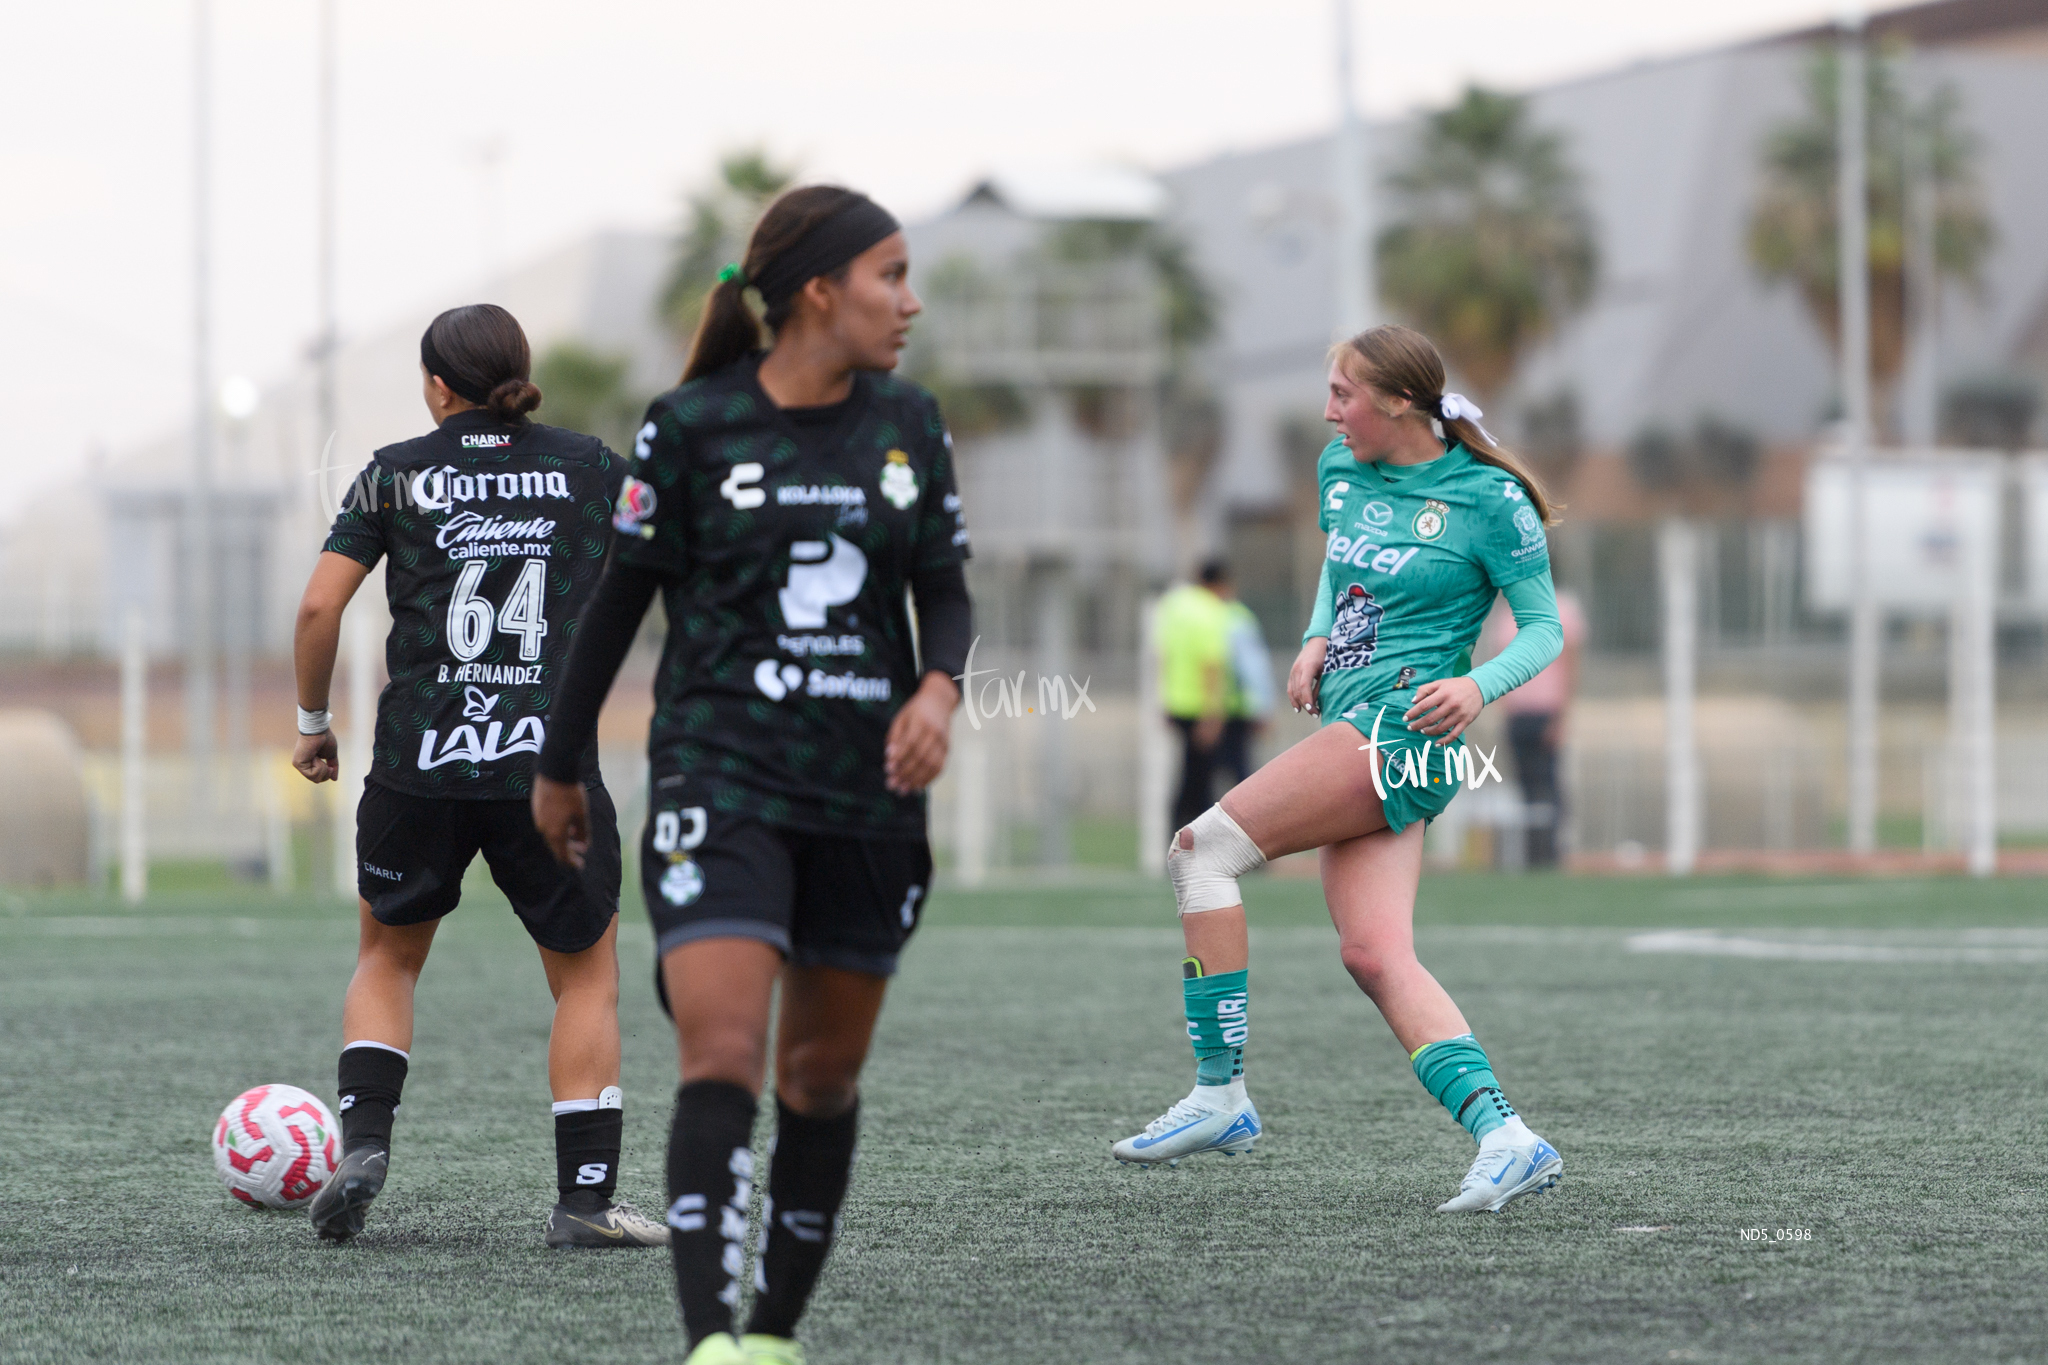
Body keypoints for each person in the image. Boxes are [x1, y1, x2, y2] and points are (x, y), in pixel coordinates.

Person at [530, 186, 972, 1365]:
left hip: (864, 794)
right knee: (721, 1052)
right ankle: (708, 1344)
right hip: (718, 777)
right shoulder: (689, 427)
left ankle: (771, 1336)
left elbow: (947, 586)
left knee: (818, 1077)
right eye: (891, 275)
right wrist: (559, 762)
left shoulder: (909, 424)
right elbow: (615, 606)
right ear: (820, 290)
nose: (908, 300)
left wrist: (939, 688)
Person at [1112, 324, 1569, 1215]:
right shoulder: (1340, 469)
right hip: (1356, 715)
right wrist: (1319, 634)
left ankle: (1220, 1094)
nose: (1328, 411)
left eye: (1343, 395)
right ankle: (1508, 1137)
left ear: (1399, 400)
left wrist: (1479, 688)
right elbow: (1339, 565)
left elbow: (1543, 627)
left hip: (1401, 730)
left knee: (1199, 852)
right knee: (1374, 954)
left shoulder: (1491, 498)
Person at [293, 304, 664, 1249]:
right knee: (584, 982)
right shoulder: (592, 469)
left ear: (436, 385)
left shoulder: (395, 473)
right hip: (551, 770)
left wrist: (313, 725)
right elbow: (673, 571)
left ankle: (365, 1145)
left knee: (387, 957)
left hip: (420, 761)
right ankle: (583, 1202)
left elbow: (317, 607)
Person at [1480, 588, 1586, 867]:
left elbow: (1570, 665)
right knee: (1523, 784)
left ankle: (1552, 852)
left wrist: (1562, 717)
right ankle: (1530, 852)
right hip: (1517, 713)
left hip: (1546, 710)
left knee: (1548, 783)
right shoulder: (1507, 613)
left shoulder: (1562, 607)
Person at [1156, 561, 1234, 830]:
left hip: (1177, 704)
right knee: (1200, 781)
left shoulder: (1175, 606)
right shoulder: (1210, 611)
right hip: (1201, 707)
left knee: (1188, 777)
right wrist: (1212, 713)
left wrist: (1165, 700)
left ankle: (1174, 832)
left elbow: (1164, 656)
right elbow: (1211, 665)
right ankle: (1195, 840)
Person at [1217, 569, 1275, 788]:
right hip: (1235, 708)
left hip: (1214, 709)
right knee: (1240, 777)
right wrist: (1262, 708)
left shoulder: (1198, 614)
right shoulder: (1237, 617)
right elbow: (1254, 668)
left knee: (1204, 779)